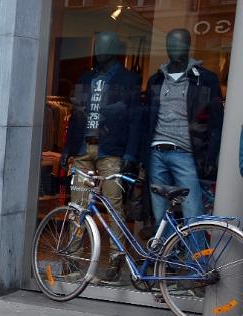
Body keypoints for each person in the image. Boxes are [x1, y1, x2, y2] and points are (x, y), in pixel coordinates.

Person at [62, 32, 141, 283]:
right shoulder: (87, 77)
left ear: (115, 48)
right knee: (78, 206)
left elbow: (134, 119)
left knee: (114, 206)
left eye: (106, 46)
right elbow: (76, 115)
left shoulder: (128, 80)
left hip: (111, 151)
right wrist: (67, 148)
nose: (100, 51)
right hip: (84, 148)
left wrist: (130, 152)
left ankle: (117, 258)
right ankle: (73, 258)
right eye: (99, 46)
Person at [143, 28, 223, 227]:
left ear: (187, 46)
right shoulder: (156, 79)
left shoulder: (205, 79)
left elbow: (216, 122)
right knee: (160, 212)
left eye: (178, 44)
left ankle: (194, 258)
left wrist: (210, 157)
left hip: (186, 153)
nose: (173, 48)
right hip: (157, 153)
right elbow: (146, 119)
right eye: (170, 44)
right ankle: (166, 257)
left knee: (192, 212)